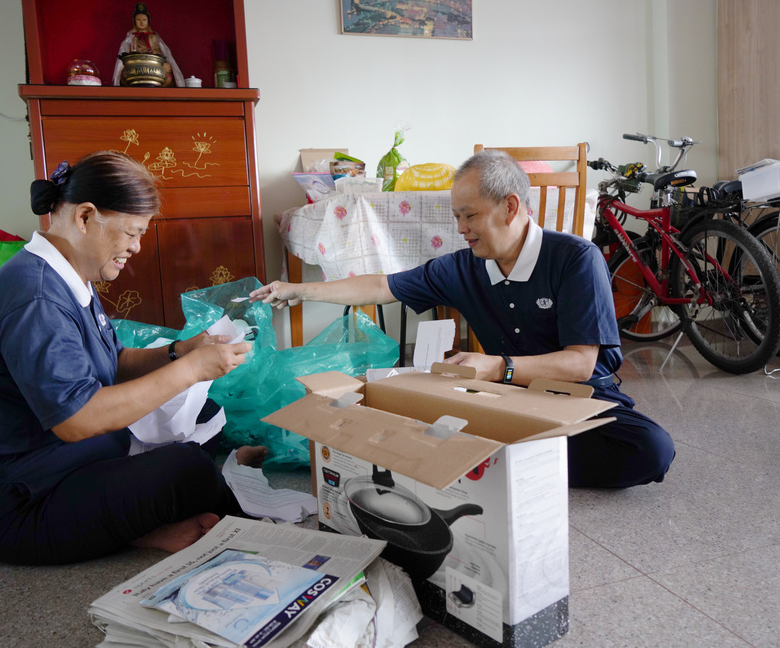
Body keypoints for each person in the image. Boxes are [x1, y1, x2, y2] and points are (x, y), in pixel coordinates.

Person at [250, 150, 675, 489]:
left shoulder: (575, 259)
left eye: (469, 215)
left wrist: (499, 366)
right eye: (456, 217)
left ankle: (486, 463)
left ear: (511, 207)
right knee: (398, 414)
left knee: (651, 450)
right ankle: (500, 461)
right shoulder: (464, 267)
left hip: (575, 397)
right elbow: (382, 286)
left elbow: (581, 363)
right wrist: (297, 290)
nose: (461, 229)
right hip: (499, 400)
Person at [0, 151, 264, 566]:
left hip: (64, 468)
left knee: (204, 420)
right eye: (132, 233)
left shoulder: (66, 277)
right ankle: (261, 539)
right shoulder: (36, 298)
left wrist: (180, 350)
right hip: (21, 504)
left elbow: (112, 361)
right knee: (186, 468)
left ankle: (141, 530)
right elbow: (77, 418)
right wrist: (190, 369)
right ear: (85, 217)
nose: (136, 247)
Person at [113, 2, 184, 87]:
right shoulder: (130, 38)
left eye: (144, 20)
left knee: (167, 67)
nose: (141, 23)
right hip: (137, 66)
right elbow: (123, 56)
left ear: (148, 21)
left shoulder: (155, 37)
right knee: (124, 71)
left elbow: (165, 55)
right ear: (134, 22)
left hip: (153, 66)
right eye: (138, 20)